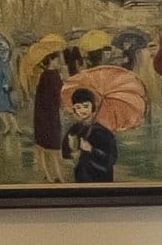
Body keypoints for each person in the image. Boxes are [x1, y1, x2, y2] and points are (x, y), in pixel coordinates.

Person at [23, 34, 69, 182]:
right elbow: (56, 96)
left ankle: (53, 177)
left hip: (48, 115)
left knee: (48, 148)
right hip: (47, 116)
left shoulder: (51, 75)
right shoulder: (49, 76)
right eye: (56, 59)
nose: (59, 61)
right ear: (50, 60)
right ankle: (56, 178)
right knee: (50, 149)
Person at [63, 87, 118, 184]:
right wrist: (72, 152)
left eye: (86, 106)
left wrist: (91, 150)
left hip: (100, 179)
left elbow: (111, 160)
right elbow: (65, 151)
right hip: (81, 177)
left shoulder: (103, 132)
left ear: (92, 107)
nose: (82, 110)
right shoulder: (75, 129)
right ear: (74, 109)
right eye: (78, 107)